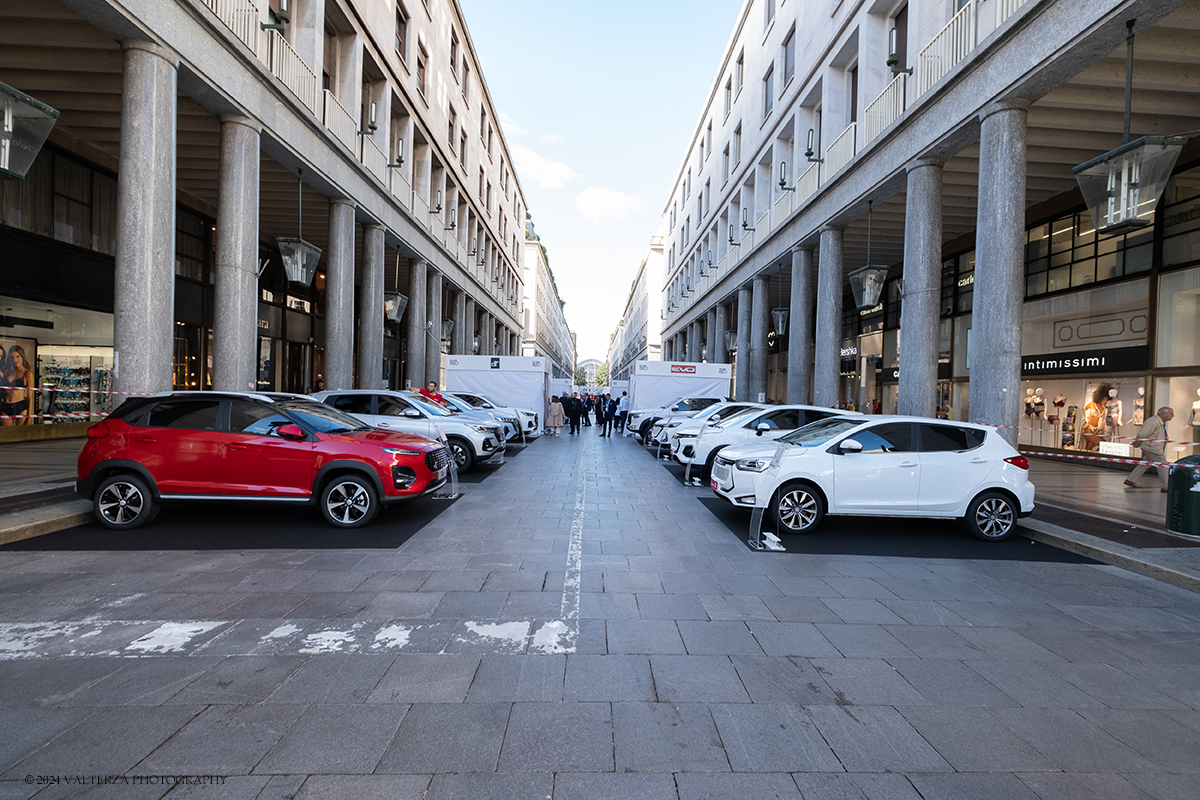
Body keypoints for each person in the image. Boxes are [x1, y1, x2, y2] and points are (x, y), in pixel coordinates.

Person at [1125, 406, 1174, 492]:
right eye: (1171, 414)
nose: (1173, 416)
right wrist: (1136, 443)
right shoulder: (1153, 422)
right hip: (1151, 448)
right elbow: (1142, 435)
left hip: (1153, 447)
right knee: (1163, 466)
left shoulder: (1159, 422)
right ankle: (1165, 486)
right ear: (1163, 414)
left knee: (1145, 464)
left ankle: (1130, 480)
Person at [1, 345, 33, 426]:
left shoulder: (27, 374)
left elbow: (30, 398)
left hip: (20, 407)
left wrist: (29, 418)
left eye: (17, 356)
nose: (15, 360)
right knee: (6, 435)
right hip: (5, 406)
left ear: (22, 357)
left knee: (20, 435)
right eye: (12, 357)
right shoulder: (6, 371)